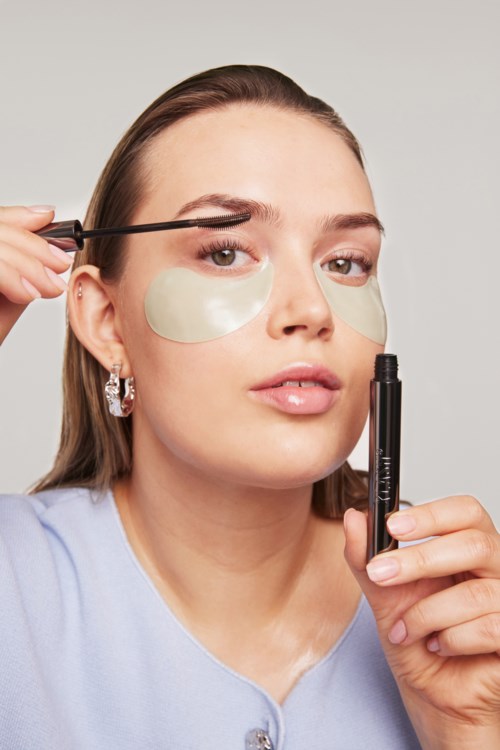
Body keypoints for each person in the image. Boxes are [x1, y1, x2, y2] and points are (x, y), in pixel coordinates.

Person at [0, 65, 498, 750]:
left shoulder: (459, 614)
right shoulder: (15, 586)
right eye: (227, 251)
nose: (312, 310)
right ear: (108, 322)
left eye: (346, 263)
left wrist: (472, 732)